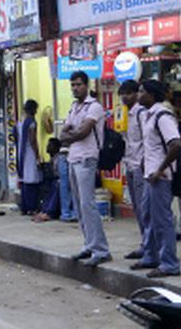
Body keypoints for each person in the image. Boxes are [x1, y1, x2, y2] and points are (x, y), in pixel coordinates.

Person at [59, 71, 111, 267]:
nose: (75, 88)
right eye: (72, 85)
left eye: (78, 84)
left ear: (86, 85)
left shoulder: (95, 107)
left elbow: (84, 131)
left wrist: (70, 135)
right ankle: (89, 244)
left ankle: (101, 249)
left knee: (88, 205)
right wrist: (71, 134)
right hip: (73, 158)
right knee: (80, 206)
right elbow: (66, 130)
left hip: (87, 158)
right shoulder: (74, 107)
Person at [131, 80, 181, 278]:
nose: (138, 94)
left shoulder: (162, 115)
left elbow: (175, 144)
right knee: (148, 216)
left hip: (160, 177)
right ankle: (151, 255)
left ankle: (169, 263)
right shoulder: (148, 116)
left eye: (142, 91)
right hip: (150, 174)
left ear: (151, 95)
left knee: (162, 221)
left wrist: (160, 170)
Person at [119, 79, 148, 261]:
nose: (124, 97)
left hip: (140, 166)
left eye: (128, 93)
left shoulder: (141, 113)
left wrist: (145, 164)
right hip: (130, 164)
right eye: (122, 93)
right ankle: (145, 243)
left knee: (144, 209)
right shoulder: (128, 114)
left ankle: (150, 246)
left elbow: (148, 140)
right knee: (137, 208)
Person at [14, 99, 42, 215]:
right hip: (29, 154)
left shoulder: (20, 122)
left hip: (21, 153)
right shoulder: (31, 122)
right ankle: (32, 207)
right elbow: (32, 140)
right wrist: (37, 155)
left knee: (24, 181)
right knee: (31, 181)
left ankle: (24, 207)